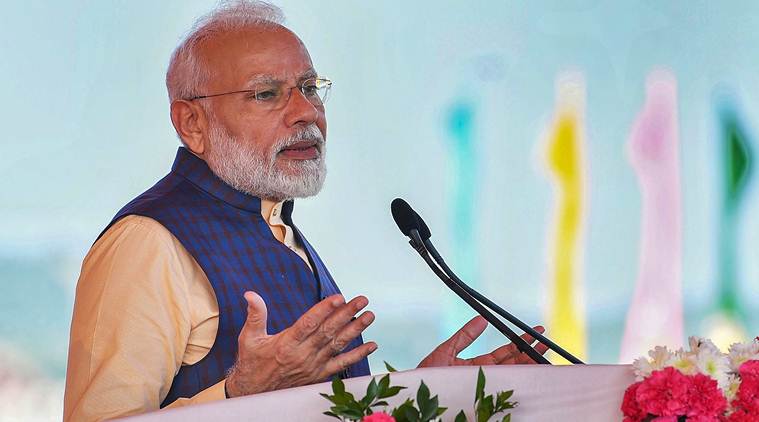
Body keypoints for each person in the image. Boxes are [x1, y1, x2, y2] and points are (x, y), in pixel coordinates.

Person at [63, 1, 547, 421]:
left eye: (310, 87)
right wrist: (237, 394)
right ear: (192, 123)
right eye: (266, 93)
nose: (306, 112)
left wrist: (423, 397)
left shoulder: (276, 226)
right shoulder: (148, 241)